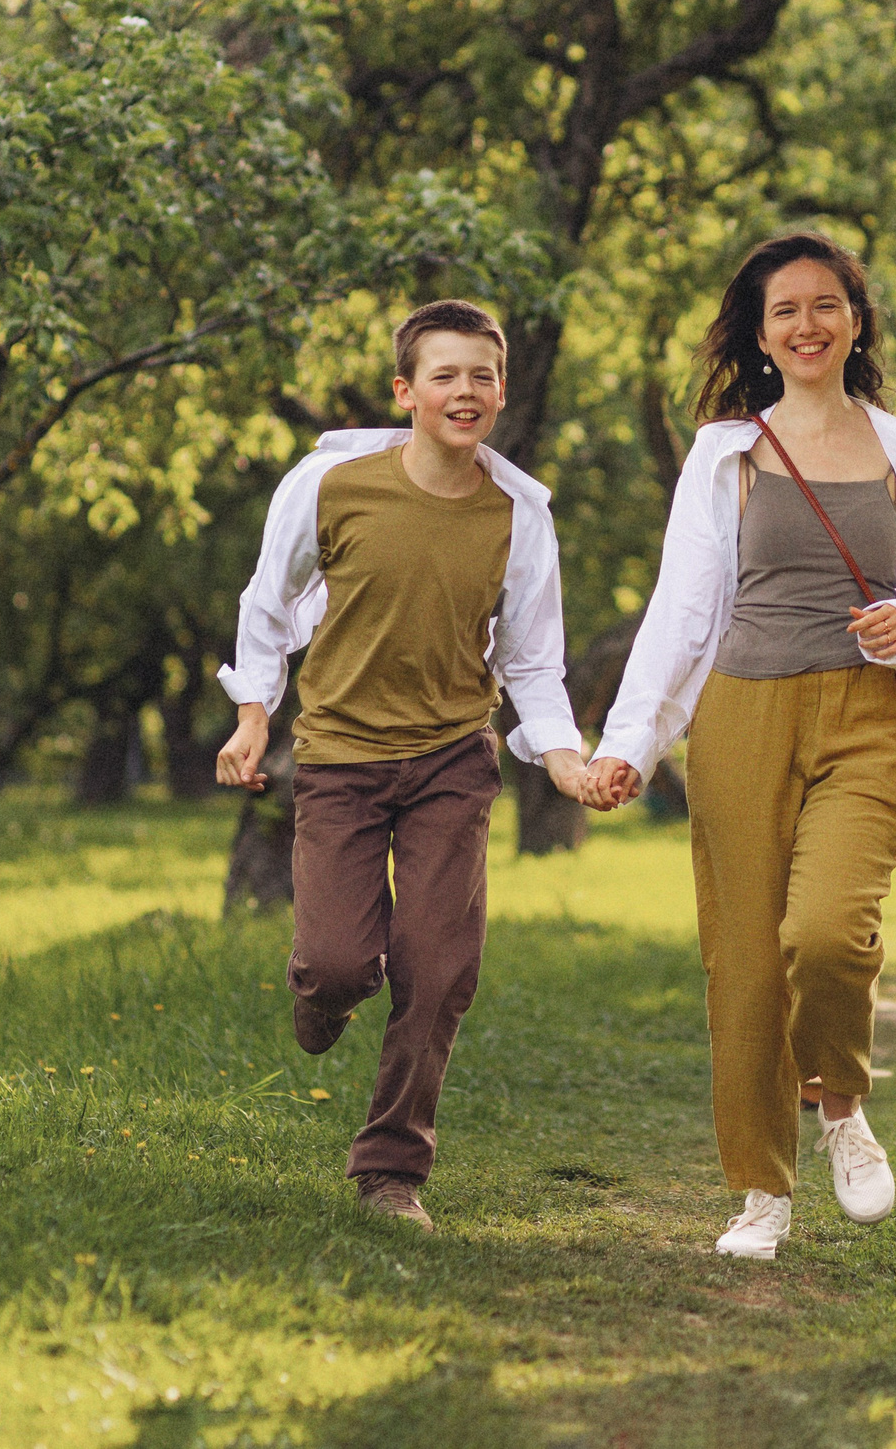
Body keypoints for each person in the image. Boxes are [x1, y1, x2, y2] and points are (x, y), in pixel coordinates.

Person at [585, 233, 896, 1262]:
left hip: (867, 718)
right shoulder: (725, 454)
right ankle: (761, 1190)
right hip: (742, 714)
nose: (806, 323)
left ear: (855, 320)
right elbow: (682, 611)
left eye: (825, 304)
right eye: (784, 308)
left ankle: (840, 1103)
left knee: (828, 931)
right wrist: (633, 740)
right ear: (759, 331)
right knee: (744, 961)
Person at [216, 300, 605, 1231]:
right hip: (341, 758)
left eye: (482, 375)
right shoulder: (328, 485)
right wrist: (249, 716)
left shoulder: (520, 517)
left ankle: (391, 1172)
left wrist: (565, 760)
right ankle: (324, 996)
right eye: (445, 375)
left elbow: (532, 664)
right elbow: (270, 606)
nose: (464, 391)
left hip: (449, 762)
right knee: (338, 963)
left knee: (437, 971)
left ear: (502, 390)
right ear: (406, 391)